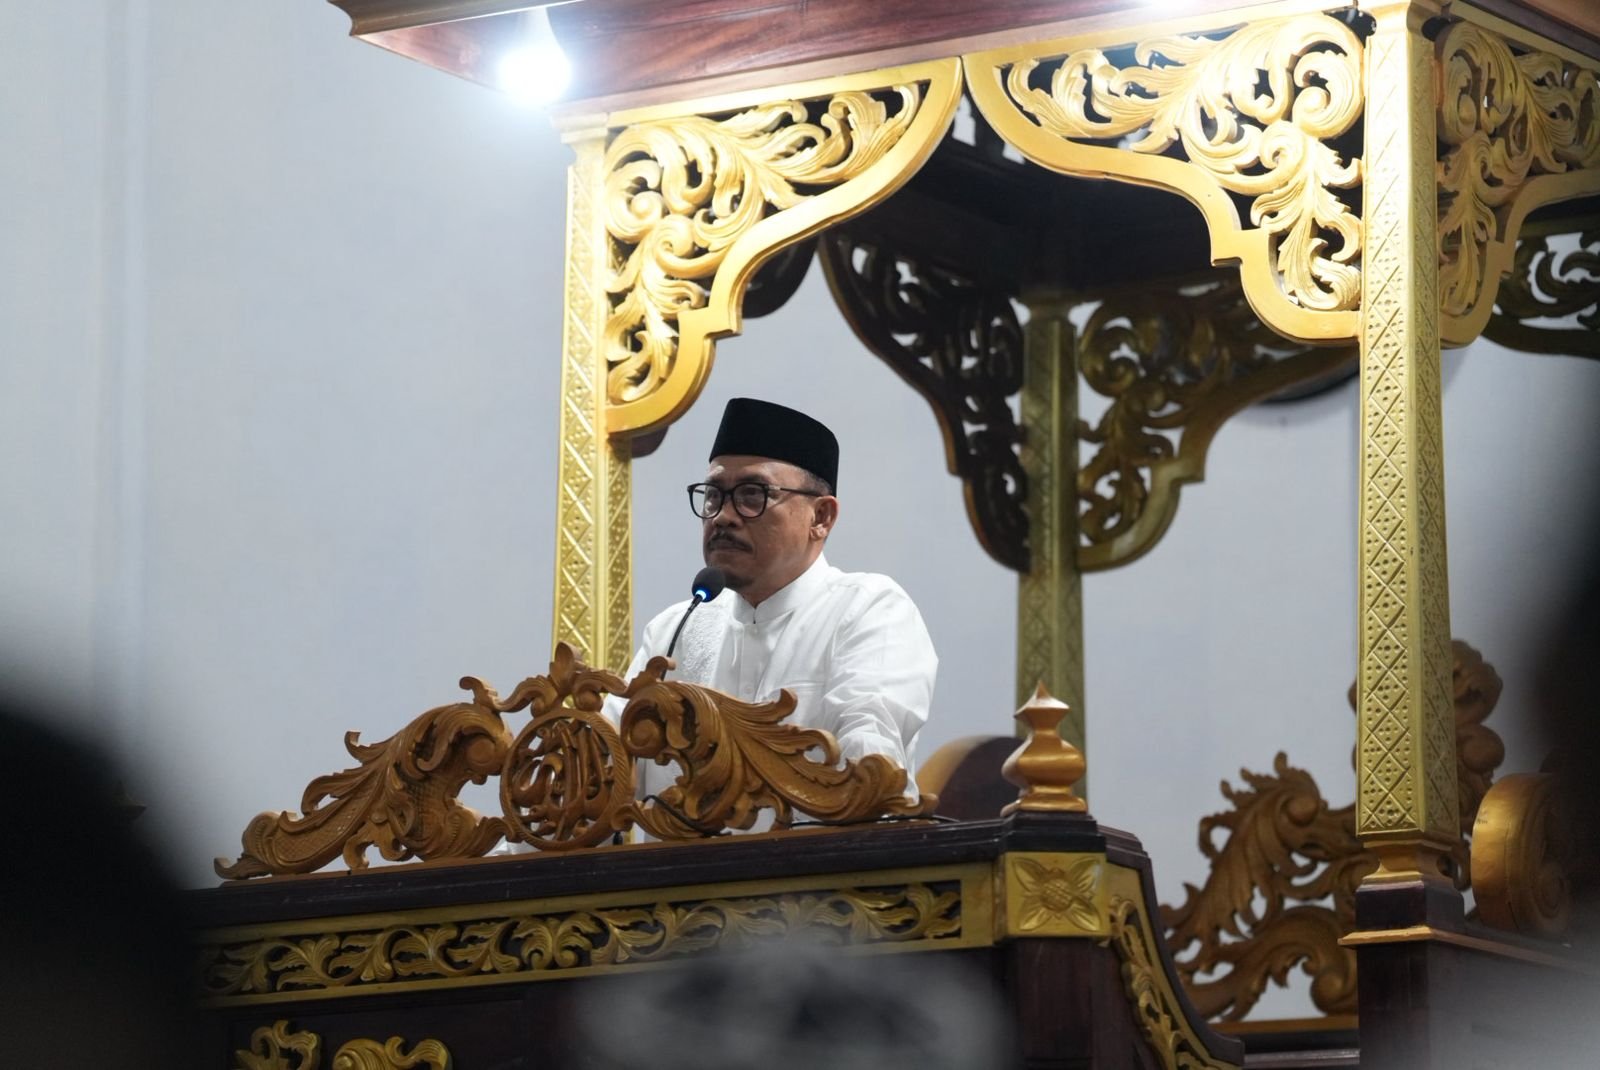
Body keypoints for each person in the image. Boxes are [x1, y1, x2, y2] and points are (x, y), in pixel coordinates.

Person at [610, 397, 937, 801]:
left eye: (752, 495)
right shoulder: (674, 631)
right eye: (713, 496)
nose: (723, 516)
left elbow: (868, 766)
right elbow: (606, 766)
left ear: (821, 517)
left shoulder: (869, 611)